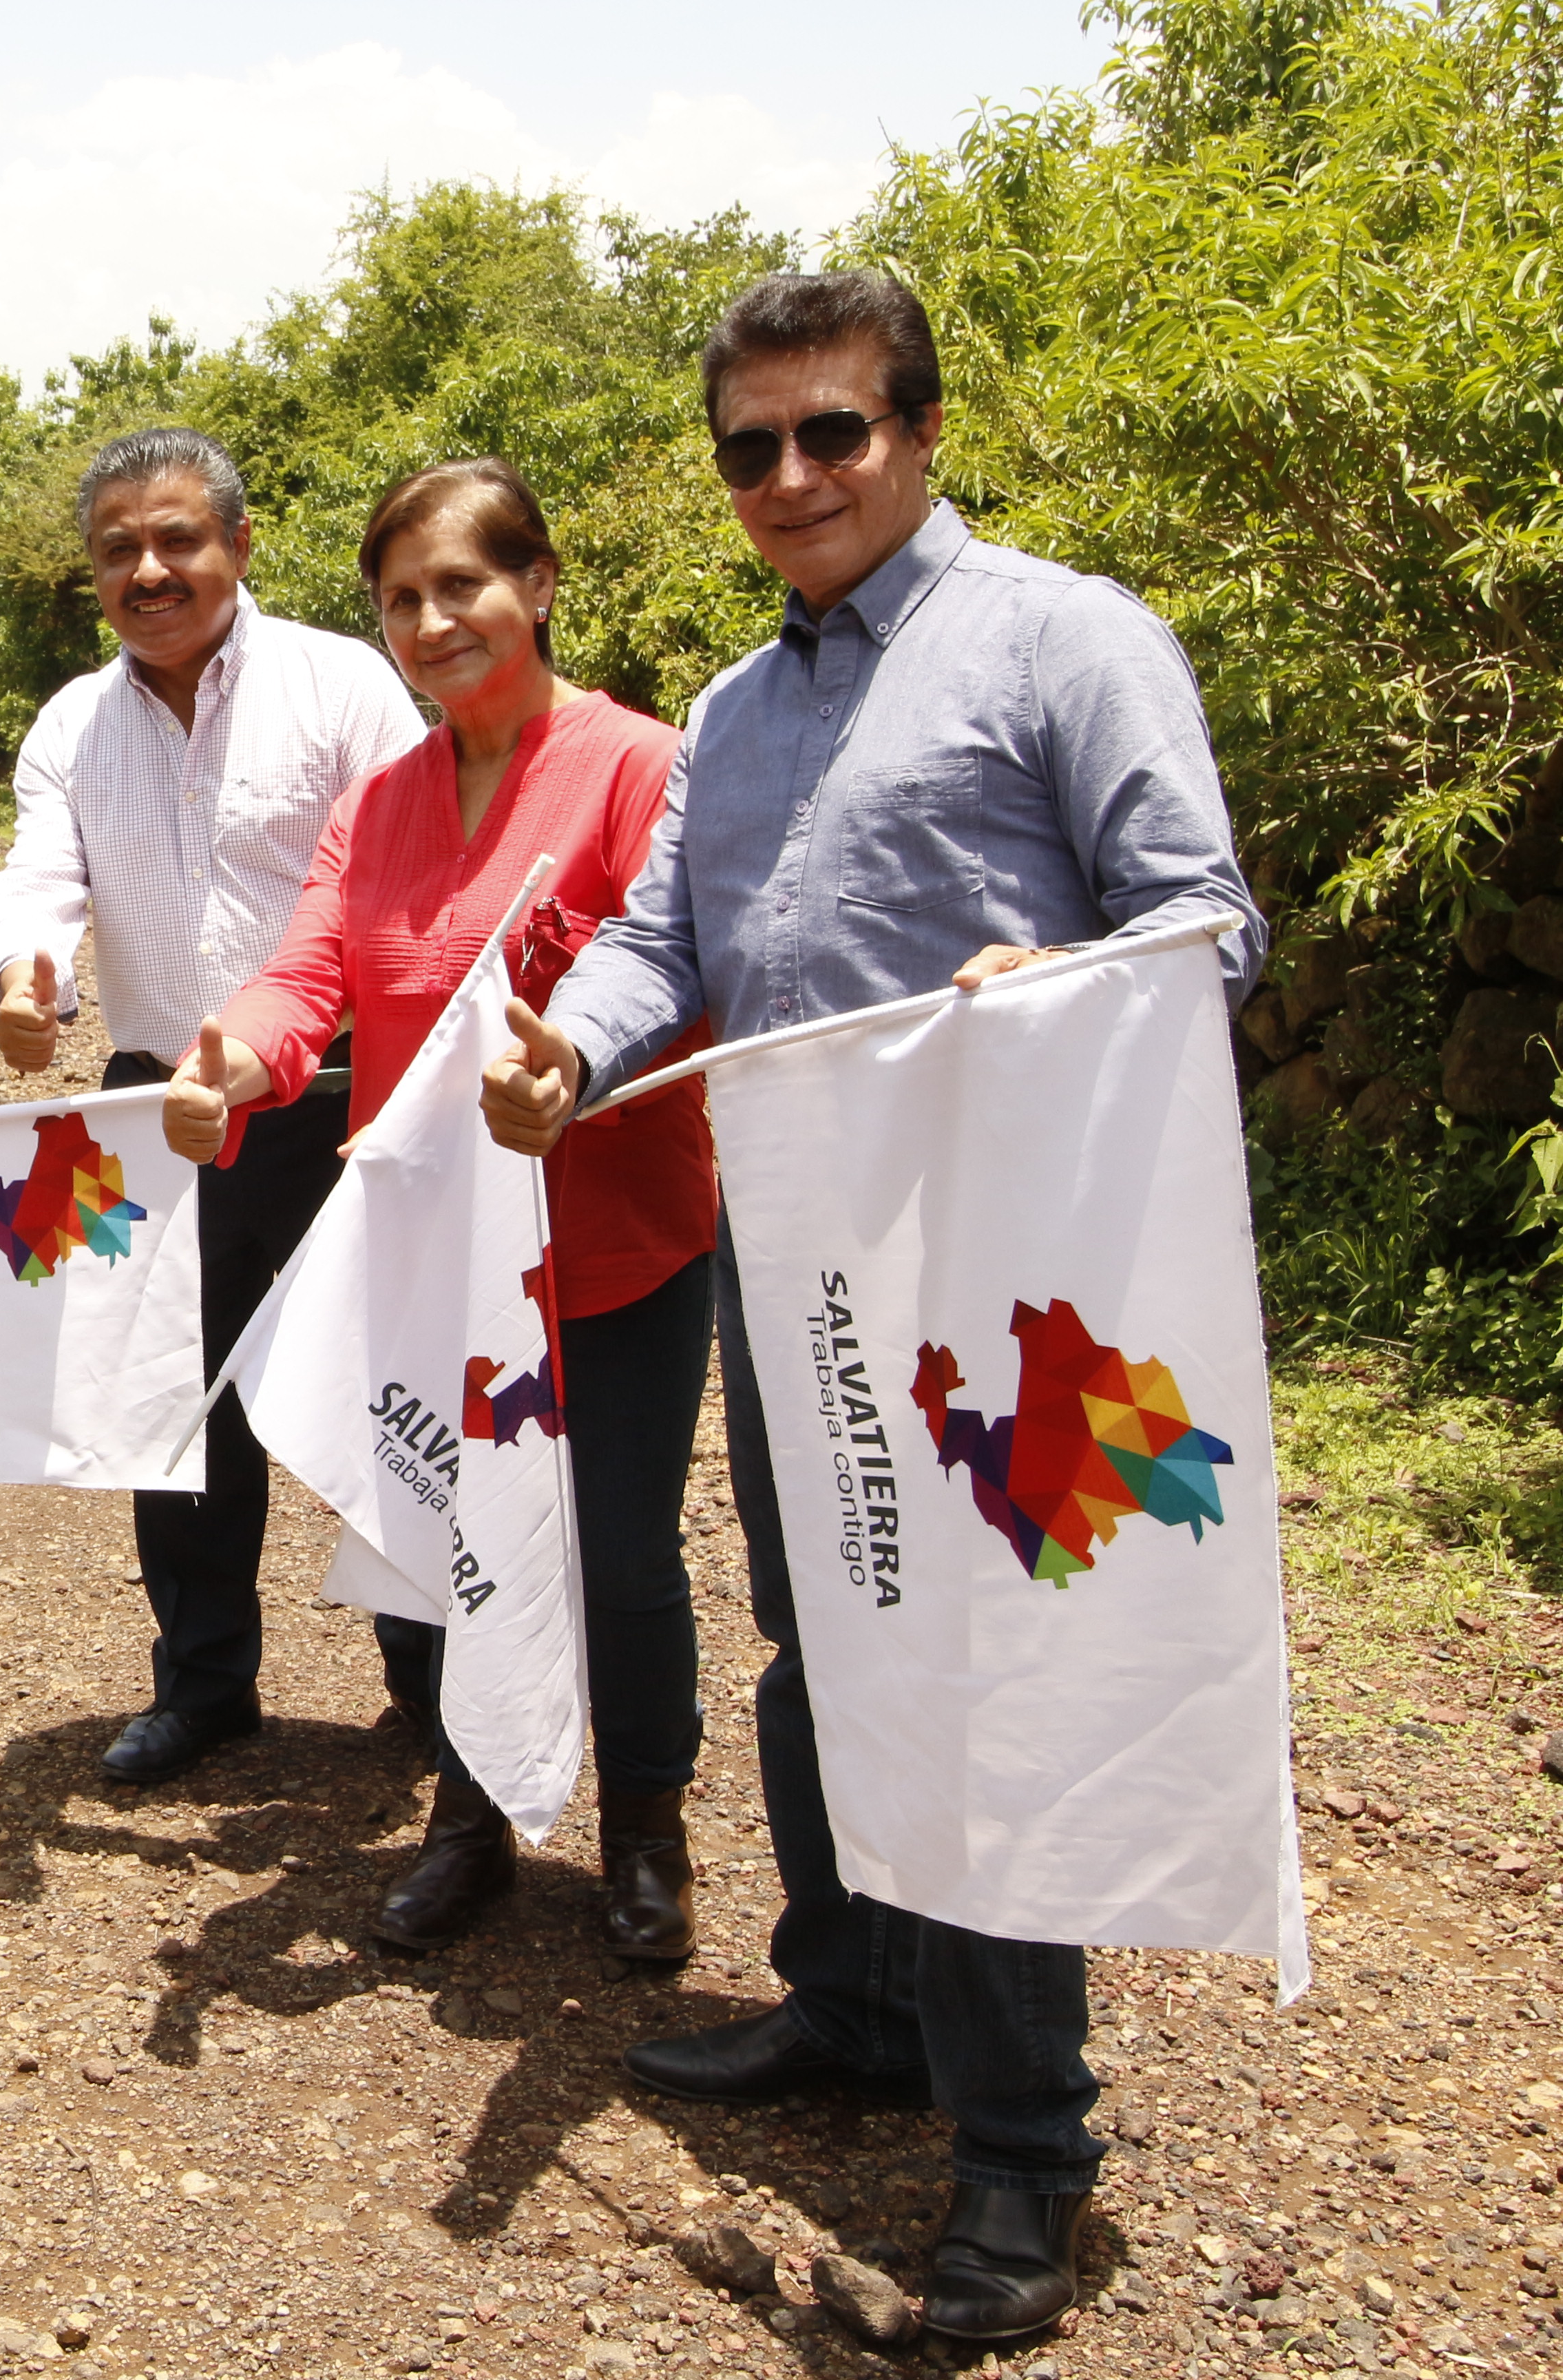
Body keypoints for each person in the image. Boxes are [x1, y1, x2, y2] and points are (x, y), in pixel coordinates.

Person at [481, 271, 1266, 2342]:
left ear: (917, 431)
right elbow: (665, 943)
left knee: (981, 1674)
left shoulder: (1067, 639)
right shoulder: (736, 710)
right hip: (806, 1251)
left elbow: (1205, 922)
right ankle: (854, 2007)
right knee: (819, 1630)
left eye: (833, 430)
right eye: (752, 446)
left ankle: (1024, 2155)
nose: (793, 475)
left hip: (1015, 1281)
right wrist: (573, 1047)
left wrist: (1063, 985)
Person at [160, 458, 718, 1961]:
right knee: (452, 1538)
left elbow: (688, 976)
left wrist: (581, 1066)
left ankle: (646, 1833)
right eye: (400, 599)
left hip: (619, 1244)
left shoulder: (641, 767)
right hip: (445, 1257)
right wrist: (235, 1060)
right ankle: (468, 1821)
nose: (430, 622)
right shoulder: (385, 801)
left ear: (537, 584)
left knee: (619, 1554)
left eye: (461, 584)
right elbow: (310, 974)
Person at [0, 424, 426, 1784]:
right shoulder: (73, 725)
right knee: (173, 1409)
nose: (149, 570)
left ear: (237, 544)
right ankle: (205, 1683)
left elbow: (411, 870)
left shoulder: (343, 686)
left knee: (389, 1391)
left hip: (345, 1092)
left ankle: (434, 1689)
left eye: (178, 538)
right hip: (157, 1097)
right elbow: (41, 877)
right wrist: (28, 973)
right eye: (117, 548)